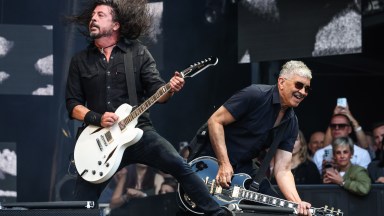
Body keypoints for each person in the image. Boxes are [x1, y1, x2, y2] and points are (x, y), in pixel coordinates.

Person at [65, 1, 227, 215]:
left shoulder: (138, 53)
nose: (93, 19)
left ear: (115, 25)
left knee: (179, 165)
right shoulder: (80, 61)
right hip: (99, 140)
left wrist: (171, 88)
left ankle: (217, 213)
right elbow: (72, 105)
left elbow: (158, 93)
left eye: (100, 15)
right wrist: (97, 117)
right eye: (93, 15)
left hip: (137, 130)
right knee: (82, 201)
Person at [188, 60, 313, 215]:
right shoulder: (255, 95)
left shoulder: (291, 122)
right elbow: (215, 120)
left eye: (307, 88)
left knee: (278, 209)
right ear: (281, 82)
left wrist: (297, 203)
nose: (303, 92)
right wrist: (224, 163)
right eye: (299, 85)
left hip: (243, 168)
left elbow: (283, 169)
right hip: (210, 161)